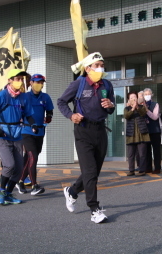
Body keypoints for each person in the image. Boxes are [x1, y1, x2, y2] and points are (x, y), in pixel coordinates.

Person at [57, 52, 115, 224]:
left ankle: (72, 192)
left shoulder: (107, 85)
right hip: (83, 130)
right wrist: (71, 115)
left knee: (93, 172)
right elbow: (61, 102)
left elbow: (110, 107)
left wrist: (111, 106)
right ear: (87, 68)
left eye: (102, 65)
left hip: (100, 131)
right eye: (96, 65)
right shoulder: (79, 84)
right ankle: (94, 209)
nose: (100, 68)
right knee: (89, 172)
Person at [0, 69, 39, 205]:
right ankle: (1, 191)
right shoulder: (2, 95)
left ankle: (9, 193)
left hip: (17, 135)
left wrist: (33, 125)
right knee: (9, 165)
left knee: (19, 168)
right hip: (3, 134)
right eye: (16, 79)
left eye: (21, 79)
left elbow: (28, 115)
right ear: (9, 80)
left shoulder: (24, 97)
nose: (19, 81)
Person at [16, 74, 54, 196]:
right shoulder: (25, 96)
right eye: (37, 82)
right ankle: (34, 185)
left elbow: (50, 111)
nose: (39, 84)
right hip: (26, 131)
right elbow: (19, 111)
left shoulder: (45, 97)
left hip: (40, 131)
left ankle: (20, 181)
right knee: (33, 157)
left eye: (41, 82)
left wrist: (48, 117)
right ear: (31, 83)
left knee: (29, 158)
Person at [124, 91, 150, 176]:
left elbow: (143, 113)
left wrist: (137, 107)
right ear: (128, 100)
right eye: (131, 98)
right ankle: (131, 170)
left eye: (134, 97)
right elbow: (126, 116)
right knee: (131, 154)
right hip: (131, 134)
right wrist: (132, 109)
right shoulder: (126, 108)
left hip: (141, 133)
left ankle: (142, 170)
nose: (133, 99)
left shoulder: (142, 107)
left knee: (142, 153)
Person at [143, 88, 162, 174]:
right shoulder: (142, 105)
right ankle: (148, 167)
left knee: (156, 150)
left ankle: (157, 167)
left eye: (148, 94)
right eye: (145, 94)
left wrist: (147, 110)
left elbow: (155, 117)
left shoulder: (155, 104)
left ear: (151, 95)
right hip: (146, 130)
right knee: (147, 150)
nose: (147, 95)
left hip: (155, 130)